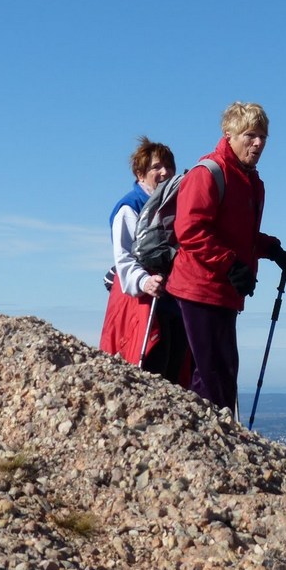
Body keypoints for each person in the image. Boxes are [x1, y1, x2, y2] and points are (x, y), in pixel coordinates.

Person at [166, 102, 286, 411]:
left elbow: (241, 236)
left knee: (222, 371)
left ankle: (213, 442)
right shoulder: (209, 172)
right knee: (213, 374)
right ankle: (207, 445)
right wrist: (231, 264)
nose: (258, 143)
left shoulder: (250, 181)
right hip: (199, 287)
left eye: (263, 136)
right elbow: (190, 230)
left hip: (224, 289)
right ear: (229, 135)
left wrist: (272, 250)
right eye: (250, 135)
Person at [99, 137, 190, 385]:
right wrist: (144, 281)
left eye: (169, 166)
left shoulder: (175, 204)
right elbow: (124, 257)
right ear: (140, 173)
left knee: (174, 366)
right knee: (152, 365)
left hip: (170, 298)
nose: (165, 172)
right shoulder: (130, 207)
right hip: (141, 301)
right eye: (156, 167)